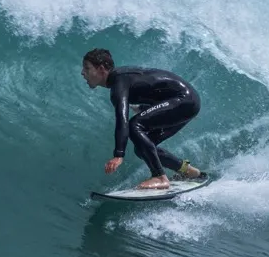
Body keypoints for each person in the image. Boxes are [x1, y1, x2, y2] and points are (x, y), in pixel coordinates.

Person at [80, 48, 204, 190]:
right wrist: (144, 108)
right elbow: (157, 89)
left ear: (101, 69)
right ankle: (188, 172)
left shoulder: (118, 83)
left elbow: (122, 119)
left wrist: (118, 154)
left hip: (184, 100)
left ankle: (159, 176)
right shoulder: (122, 78)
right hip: (185, 102)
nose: (83, 73)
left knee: (135, 125)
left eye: (87, 68)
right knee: (143, 148)